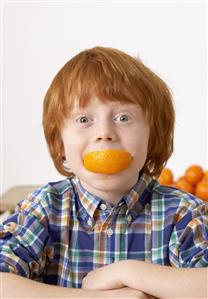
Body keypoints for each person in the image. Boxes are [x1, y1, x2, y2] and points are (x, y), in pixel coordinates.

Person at [0, 46, 207, 299]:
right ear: (60, 143)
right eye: (84, 120)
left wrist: (128, 273)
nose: (104, 133)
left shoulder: (182, 214)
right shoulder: (43, 209)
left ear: (153, 135)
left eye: (123, 118)